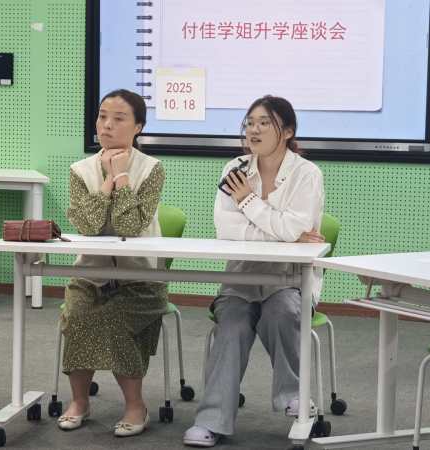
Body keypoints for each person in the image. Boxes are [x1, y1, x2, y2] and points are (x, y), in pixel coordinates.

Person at [184, 95, 325, 447]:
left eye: (264, 123)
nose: (254, 130)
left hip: (290, 279)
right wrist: (283, 232)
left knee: (282, 312)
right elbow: (226, 229)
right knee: (231, 324)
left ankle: (295, 398)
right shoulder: (234, 168)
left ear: (287, 131)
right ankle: (211, 420)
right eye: (250, 122)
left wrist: (248, 201)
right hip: (241, 278)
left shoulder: (306, 174)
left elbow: (296, 227)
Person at [57, 89, 166, 437]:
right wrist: (106, 181)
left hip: (141, 279)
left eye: (118, 119)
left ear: (138, 127)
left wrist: (122, 178)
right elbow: (86, 225)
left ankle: (136, 406)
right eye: (103, 116)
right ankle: (79, 402)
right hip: (90, 276)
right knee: (78, 315)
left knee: (115, 321)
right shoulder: (80, 170)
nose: (107, 125)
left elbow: (130, 226)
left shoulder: (151, 169)